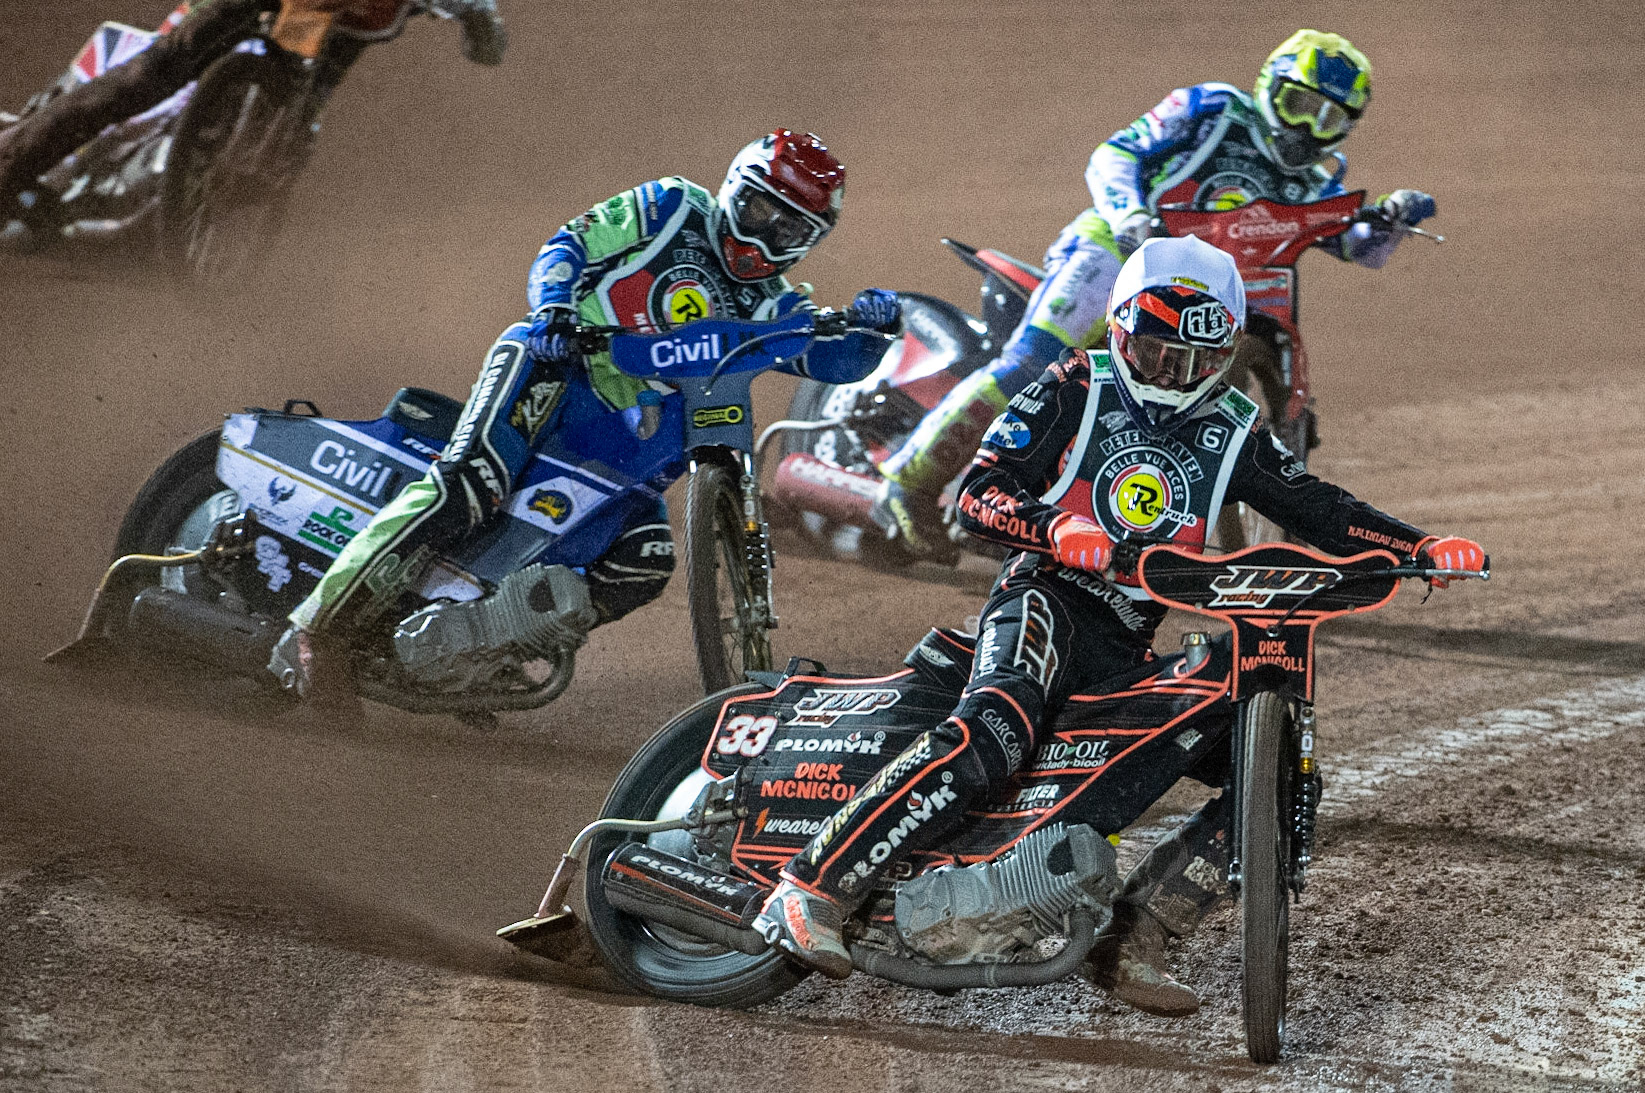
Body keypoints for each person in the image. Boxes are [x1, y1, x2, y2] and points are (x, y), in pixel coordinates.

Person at [754, 235, 1485, 1015]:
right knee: (994, 727)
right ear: (1117, 331)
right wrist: (1050, 529)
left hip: (1123, 642)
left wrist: (1416, 545)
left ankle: (1133, 936)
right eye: (1150, 350)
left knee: (1269, 770)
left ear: (1222, 352)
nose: (1166, 373)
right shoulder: (1074, 383)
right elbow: (979, 491)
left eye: (1188, 359)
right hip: (1041, 597)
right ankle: (810, 885)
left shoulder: (1233, 427)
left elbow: (1318, 506)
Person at [267, 130, 904, 698]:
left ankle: (495, 638)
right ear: (734, 190)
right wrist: (553, 310)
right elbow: (569, 243)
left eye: (790, 231)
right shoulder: (673, 207)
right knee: (468, 486)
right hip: (556, 367)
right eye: (760, 211)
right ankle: (315, 629)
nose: (765, 239)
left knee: (646, 562)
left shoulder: (772, 305)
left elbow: (829, 364)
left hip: (626, 439)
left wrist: (872, 331)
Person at [871, 28, 1439, 557]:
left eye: (1330, 119)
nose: (1307, 129)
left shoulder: (1318, 179)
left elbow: (1352, 244)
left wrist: (1390, 218)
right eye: (1300, 105)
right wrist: (1130, 215)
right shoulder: (1212, 108)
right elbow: (1114, 154)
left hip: (1201, 285)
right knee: (1033, 364)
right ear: (1270, 86)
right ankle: (906, 482)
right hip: (1116, 248)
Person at [0, 0, 507, 229]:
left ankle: (262, 167)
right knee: (149, 76)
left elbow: (481, 20)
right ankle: (11, 165)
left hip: (348, 23)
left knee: (306, 101)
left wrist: (482, 22)